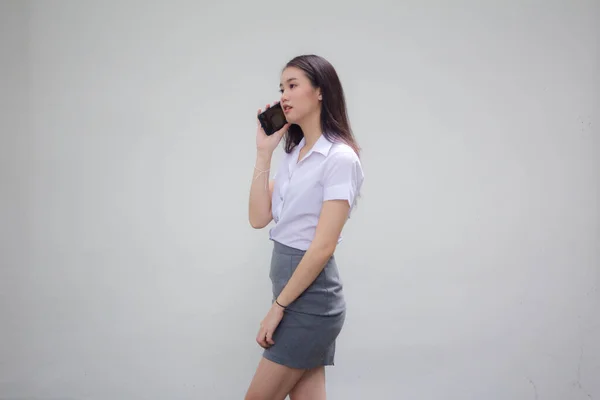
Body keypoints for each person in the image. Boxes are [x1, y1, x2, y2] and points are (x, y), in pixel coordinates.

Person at [245, 54, 364, 400]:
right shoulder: (294, 154)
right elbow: (258, 217)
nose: (284, 95)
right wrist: (264, 154)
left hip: (309, 299)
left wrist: (278, 308)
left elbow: (323, 246)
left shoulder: (339, 159)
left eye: (293, 85)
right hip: (292, 288)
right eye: (281, 88)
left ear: (321, 91)